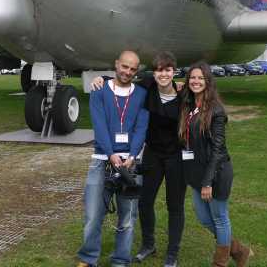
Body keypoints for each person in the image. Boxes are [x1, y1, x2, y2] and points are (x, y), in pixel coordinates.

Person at [91, 51, 185, 267]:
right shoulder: (148, 87)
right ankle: (148, 244)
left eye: (168, 70)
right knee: (144, 202)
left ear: (174, 72)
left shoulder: (184, 95)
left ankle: (172, 253)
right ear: (154, 73)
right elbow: (123, 78)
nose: (163, 74)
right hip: (153, 154)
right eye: (159, 70)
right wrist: (101, 78)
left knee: (175, 205)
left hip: (175, 156)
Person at [76, 50, 150, 267]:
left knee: (127, 218)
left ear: (136, 71)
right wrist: (110, 154)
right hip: (102, 160)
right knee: (93, 214)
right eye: (124, 66)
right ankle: (88, 257)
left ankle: (120, 260)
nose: (127, 72)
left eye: (132, 69)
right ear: (117, 64)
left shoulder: (142, 95)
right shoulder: (99, 90)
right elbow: (99, 125)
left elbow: (141, 128)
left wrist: (133, 155)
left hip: (130, 164)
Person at [178, 62, 252, 267]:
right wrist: (103, 80)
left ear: (208, 82)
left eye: (200, 78)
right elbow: (157, 83)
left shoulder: (216, 110)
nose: (196, 81)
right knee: (204, 218)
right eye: (192, 77)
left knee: (219, 218)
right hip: (196, 171)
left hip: (216, 173)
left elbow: (218, 149)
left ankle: (220, 263)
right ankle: (239, 251)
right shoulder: (189, 104)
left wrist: (208, 182)